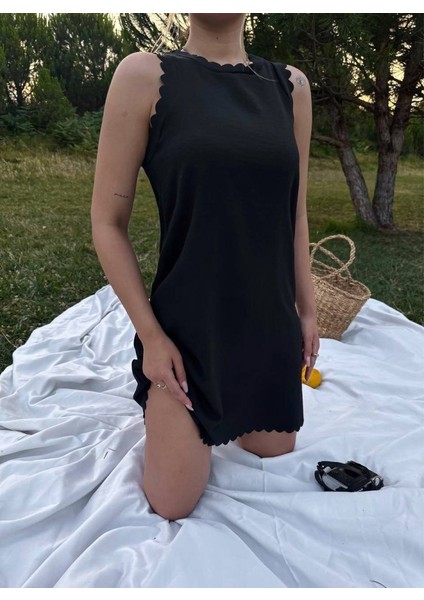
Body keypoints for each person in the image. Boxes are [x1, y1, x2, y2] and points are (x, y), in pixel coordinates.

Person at [91, 13, 320, 521]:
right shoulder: (144, 76)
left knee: (274, 451)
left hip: (267, 321)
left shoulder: (292, 87)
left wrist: (306, 310)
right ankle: (161, 404)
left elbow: (296, 211)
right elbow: (107, 223)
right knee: (172, 503)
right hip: (188, 332)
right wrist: (152, 338)